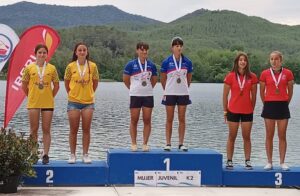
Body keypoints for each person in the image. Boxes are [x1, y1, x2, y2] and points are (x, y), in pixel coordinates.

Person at [21, 44, 60, 165]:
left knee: (46, 129)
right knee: (33, 130)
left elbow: (57, 86)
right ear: (35, 54)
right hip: (33, 103)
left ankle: (45, 154)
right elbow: (24, 86)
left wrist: (49, 96)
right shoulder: (29, 68)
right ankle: (33, 154)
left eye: (44, 52)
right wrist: (32, 96)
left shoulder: (52, 68)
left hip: (48, 103)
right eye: (40, 52)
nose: (42, 54)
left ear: (47, 54)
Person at [64, 42, 99, 164]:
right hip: (73, 102)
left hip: (88, 103)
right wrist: (73, 94)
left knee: (86, 129)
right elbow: (67, 83)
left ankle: (85, 154)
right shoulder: (70, 66)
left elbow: (95, 83)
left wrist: (89, 93)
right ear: (76, 52)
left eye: (84, 50)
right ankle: (72, 154)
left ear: (87, 52)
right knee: (73, 130)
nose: (82, 52)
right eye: (80, 50)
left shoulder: (93, 66)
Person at [223, 52, 258, 170]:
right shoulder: (230, 76)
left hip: (247, 112)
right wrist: (225, 111)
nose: (242, 62)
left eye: (245, 60)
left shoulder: (252, 77)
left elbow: (254, 96)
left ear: (247, 63)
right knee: (232, 136)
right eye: (240, 60)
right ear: (237, 62)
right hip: (232, 110)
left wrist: (251, 110)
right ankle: (229, 161)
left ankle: (247, 161)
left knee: (246, 137)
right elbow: (225, 96)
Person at [260, 51, 294, 171]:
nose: (274, 61)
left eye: (276, 59)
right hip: (269, 105)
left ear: (281, 60)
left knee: (282, 136)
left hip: (283, 106)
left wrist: (285, 103)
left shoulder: (288, 73)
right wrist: (267, 103)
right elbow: (261, 92)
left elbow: (290, 92)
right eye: (271, 59)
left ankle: (282, 162)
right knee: (269, 135)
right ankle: (269, 162)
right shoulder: (264, 74)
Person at [123, 42, 158, 152]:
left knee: (147, 120)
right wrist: (133, 88)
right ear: (137, 51)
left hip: (148, 95)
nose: (144, 52)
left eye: (146, 50)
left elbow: (154, 80)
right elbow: (125, 79)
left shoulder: (151, 65)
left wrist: (147, 88)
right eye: (142, 49)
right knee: (134, 120)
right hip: (135, 95)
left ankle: (145, 144)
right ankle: (134, 143)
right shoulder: (130, 64)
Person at [160, 37, 193, 152]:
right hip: (170, 93)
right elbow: (163, 79)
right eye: (176, 46)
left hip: (183, 93)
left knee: (182, 119)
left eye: (180, 46)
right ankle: (168, 143)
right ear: (172, 48)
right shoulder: (166, 62)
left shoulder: (187, 62)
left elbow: (189, 79)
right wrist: (168, 89)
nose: (179, 48)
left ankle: (181, 143)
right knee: (169, 119)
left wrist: (183, 88)